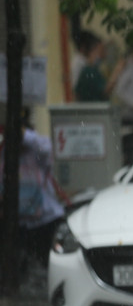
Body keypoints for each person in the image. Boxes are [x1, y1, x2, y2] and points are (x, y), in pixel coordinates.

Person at [0, 111, 68, 269]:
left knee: (48, 265)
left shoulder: (37, 148)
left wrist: (25, 136)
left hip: (45, 220)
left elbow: (47, 149)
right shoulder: (5, 153)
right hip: (19, 222)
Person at [74, 33, 108, 102]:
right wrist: (119, 68)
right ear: (94, 50)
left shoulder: (93, 69)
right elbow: (105, 91)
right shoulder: (88, 70)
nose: (105, 54)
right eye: (102, 50)